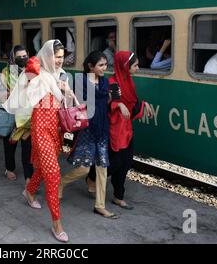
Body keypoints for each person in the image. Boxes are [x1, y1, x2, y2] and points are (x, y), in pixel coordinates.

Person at [3, 39, 70, 243]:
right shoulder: (36, 71)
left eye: (61, 57)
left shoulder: (61, 76)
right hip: (40, 128)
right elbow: (23, 93)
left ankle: (29, 192)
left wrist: (65, 90)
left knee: (41, 168)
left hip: (56, 129)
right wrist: (33, 73)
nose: (59, 61)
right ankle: (57, 223)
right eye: (55, 57)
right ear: (47, 56)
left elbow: (64, 102)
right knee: (53, 172)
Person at [88, 51, 153, 210]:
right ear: (125, 66)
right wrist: (119, 104)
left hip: (126, 129)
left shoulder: (129, 82)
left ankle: (118, 196)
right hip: (114, 129)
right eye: (135, 65)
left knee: (126, 162)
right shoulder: (112, 82)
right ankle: (92, 177)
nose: (138, 68)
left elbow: (133, 102)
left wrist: (145, 105)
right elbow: (109, 104)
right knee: (116, 162)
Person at [59, 51, 117, 220]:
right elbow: (75, 103)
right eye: (101, 65)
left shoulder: (105, 82)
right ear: (90, 66)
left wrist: (111, 98)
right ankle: (61, 183)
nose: (104, 69)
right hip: (86, 130)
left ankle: (100, 205)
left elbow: (104, 104)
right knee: (84, 168)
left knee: (102, 169)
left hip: (102, 129)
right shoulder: (80, 81)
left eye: (105, 65)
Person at [0, 45, 33, 182]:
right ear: (13, 58)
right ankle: (9, 168)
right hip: (11, 113)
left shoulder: (32, 71)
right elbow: (0, 93)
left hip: (27, 116)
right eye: (20, 57)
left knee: (27, 147)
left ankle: (28, 176)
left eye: (25, 56)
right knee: (10, 144)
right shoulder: (7, 72)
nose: (23, 59)